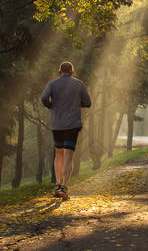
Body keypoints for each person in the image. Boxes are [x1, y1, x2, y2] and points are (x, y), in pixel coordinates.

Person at [40, 61, 91, 199]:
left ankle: (57, 184)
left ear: (59, 71)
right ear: (72, 72)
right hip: (72, 125)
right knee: (69, 156)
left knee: (59, 154)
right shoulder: (79, 84)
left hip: (57, 125)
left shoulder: (52, 84)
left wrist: (52, 106)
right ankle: (64, 187)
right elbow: (88, 102)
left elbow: (43, 98)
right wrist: (76, 103)